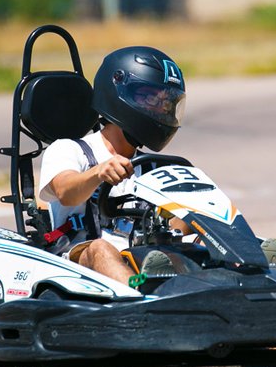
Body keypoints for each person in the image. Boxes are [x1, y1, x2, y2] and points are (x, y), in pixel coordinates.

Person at [37, 45, 188, 285]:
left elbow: (177, 223)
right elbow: (65, 192)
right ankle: (142, 300)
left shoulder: (150, 168)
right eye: (150, 98)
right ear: (119, 94)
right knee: (101, 249)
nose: (161, 110)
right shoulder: (70, 149)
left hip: (138, 255)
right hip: (78, 261)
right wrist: (98, 173)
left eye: (166, 103)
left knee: (194, 233)